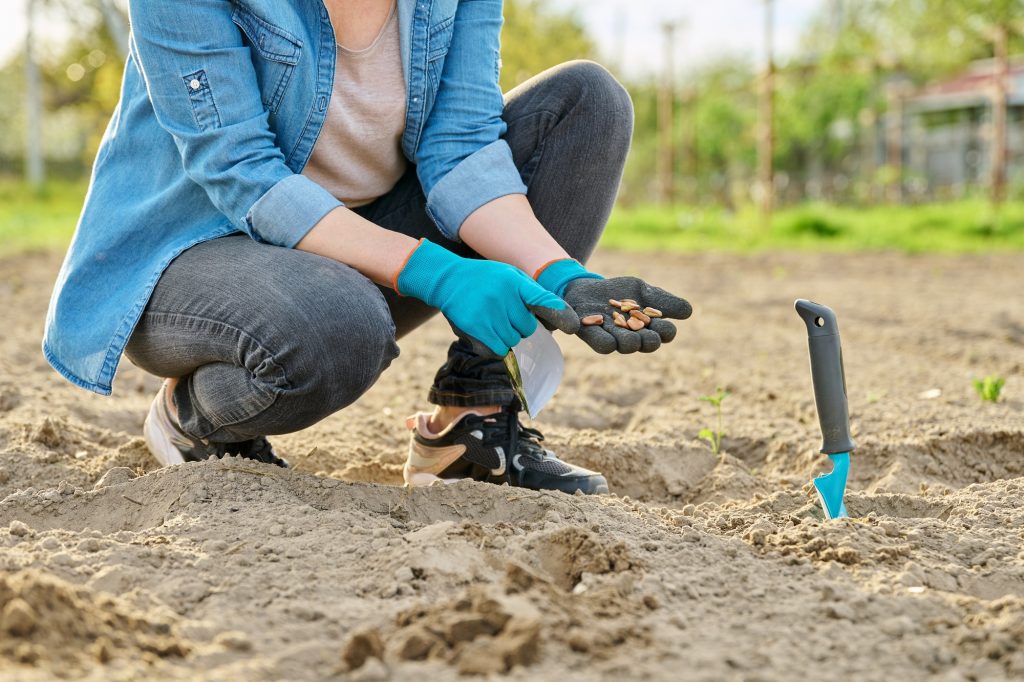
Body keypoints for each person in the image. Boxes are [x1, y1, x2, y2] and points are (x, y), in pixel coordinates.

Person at [42, 0, 692, 496]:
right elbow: (241, 170)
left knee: (586, 102)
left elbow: (461, 145)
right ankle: (195, 416)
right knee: (338, 325)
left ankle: (473, 420)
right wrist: (436, 272)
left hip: (355, 247)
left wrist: (559, 273)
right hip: (194, 252)